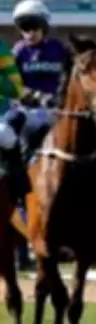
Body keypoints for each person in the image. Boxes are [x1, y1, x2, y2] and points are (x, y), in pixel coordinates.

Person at [11, 0, 69, 157]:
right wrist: (36, 96)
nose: (30, 33)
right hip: (29, 111)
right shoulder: (17, 52)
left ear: (44, 27)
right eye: (25, 27)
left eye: (34, 27)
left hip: (59, 110)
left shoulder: (59, 49)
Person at [0, 31, 28, 205]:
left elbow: (17, 89)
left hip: (2, 114)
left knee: (7, 135)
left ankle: (20, 197)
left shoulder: (1, 47)